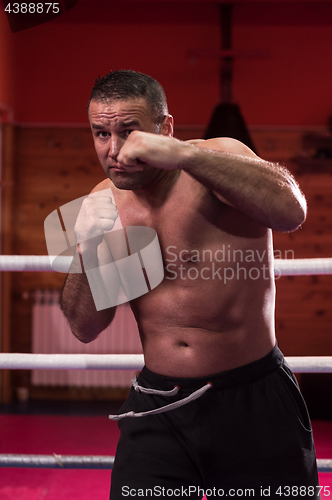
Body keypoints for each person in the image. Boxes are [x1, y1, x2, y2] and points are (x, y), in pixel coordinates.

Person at [60, 70, 320, 499]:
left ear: (165, 128)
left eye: (129, 131)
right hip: (160, 405)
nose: (114, 149)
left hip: (251, 397)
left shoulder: (216, 160)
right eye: (101, 133)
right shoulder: (104, 202)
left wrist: (183, 155)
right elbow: (85, 327)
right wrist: (86, 250)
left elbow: (291, 211)